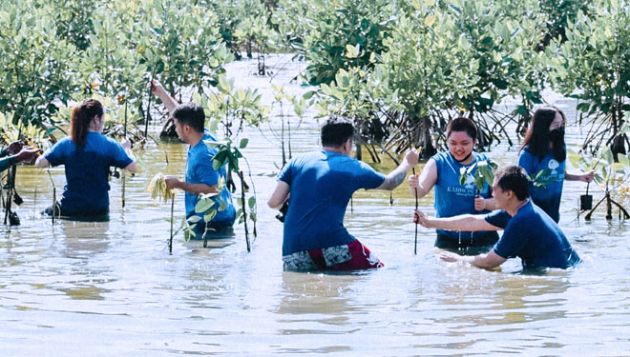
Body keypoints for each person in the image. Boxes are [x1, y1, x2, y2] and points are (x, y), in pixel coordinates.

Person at [268, 118, 419, 271]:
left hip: (292, 249)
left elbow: (273, 202)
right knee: (379, 270)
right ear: (347, 144)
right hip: (334, 244)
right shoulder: (353, 167)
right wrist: (408, 163)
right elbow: (391, 182)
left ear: (322, 140)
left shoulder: (297, 162)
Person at [414, 165, 581, 270]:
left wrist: (458, 259)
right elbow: (473, 222)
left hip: (560, 274)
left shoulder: (522, 220)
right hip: (564, 268)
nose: (491, 193)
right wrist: (429, 222)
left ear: (509, 194)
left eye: (494, 190)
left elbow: (490, 261)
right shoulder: (518, 208)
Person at [150, 80, 235, 239]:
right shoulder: (205, 136)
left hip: (212, 222)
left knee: (202, 261)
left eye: (176, 126)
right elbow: (180, 113)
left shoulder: (203, 155)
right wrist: (161, 92)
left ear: (187, 128)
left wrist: (179, 184)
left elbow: (213, 189)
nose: (175, 129)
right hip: (218, 216)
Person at [408, 117, 498, 254]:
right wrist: (414, 185)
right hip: (447, 237)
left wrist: (486, 203)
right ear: (446, 142)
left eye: (464, 143)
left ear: (474, 142)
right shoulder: (438, 162)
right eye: (453, 143)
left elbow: (503, 202)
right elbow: (419, 193)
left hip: (484, 237)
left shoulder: (486, 165)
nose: (458, 148)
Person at [35, 99, 138, 219]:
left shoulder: (67, 143)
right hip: (99, 209)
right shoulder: (110, 145)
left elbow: (39, 163)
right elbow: (133, 168)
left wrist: (47, 149)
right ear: (96, 119)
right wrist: (126, 149)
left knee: (40, 215)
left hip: (71, 207)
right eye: (103, 120)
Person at [519, 106, 594, 222]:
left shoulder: (560, 148)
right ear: (543, 127)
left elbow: (558, 173)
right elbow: (519, 188)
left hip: (553, 216)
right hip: (533, 217)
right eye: (555, 125)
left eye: (561, 124)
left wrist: (580, 177)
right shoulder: (528, 154)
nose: (560, 128)